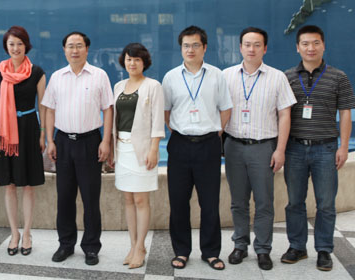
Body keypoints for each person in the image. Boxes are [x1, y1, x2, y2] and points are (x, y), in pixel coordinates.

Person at [282, 25, 355, 271]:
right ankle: (297, 247)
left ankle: (324, 249)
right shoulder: (287, 77)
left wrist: (343, 147)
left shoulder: (338, 77)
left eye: (315, 43)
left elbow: (345, 113)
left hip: (325, 149)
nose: (310, 48)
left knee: (325, 203)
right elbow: (281, 114)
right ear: (297, 47)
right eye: (305, 43)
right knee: (294, 202)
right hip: (294, 148)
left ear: (323, 45)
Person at [222, 27, 296, 270]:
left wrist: (280, 150)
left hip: (263, 148)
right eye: (247, 44)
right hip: (233, 146)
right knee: (238, 201)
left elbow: (284, 115)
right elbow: (219, 111)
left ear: (265, 48)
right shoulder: (226, 76)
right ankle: (240, 245)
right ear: (240, 47)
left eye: (256, 45)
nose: (251, 49)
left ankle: (263, 249)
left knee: (264, 202)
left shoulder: (277, 77)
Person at [162, 25, 232, 271]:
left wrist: (215, 131)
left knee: (209, 202)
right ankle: (181, 251)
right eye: (186, 45)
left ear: (204, 47)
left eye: (195, 45)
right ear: (180, 48)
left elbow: (226, 108)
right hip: (180, 145)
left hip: (208, 145)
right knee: (178, 202)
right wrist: (180, 130)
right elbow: (166, 111)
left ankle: (211, 252)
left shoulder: (216, 75)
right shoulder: (171, 77)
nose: (190, 50)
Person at [42, 31, 114, 266]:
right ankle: (65, 244)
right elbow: (49, 109)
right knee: (64, 197)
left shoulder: (99, 75)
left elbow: (108, 109)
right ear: (64, 50)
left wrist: (105, 141)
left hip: (90, 142)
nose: (75, 50)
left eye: (79, 45)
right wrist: (50, 140)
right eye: (70, 46)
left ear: (87, 49)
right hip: (63, 142)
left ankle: (91, 247)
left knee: (91, 198)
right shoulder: (57, 77)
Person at [0, 26, 46, 256]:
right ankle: (14, 233)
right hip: (5, 133)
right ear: (6, 46)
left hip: (29, 130)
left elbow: (43, 106)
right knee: (10, 185)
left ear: (26, 45)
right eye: (11, 44)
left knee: (28, 185)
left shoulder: (37, 72)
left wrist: (43, 134)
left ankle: (28, 233)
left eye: (19, 44)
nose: (15, 48)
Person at [111, 43, 165, 269]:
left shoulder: (153, 86)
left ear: (144, 63)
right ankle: (132, 245)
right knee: (128, 199)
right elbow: (114, 120)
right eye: (128, 59)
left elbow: (157, 121)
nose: (132, 63)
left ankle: (141, 246)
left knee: (141, 200)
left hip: (142, 150)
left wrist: (154, 149)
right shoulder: (118, 86)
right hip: (122, 149)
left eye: (136, 59)